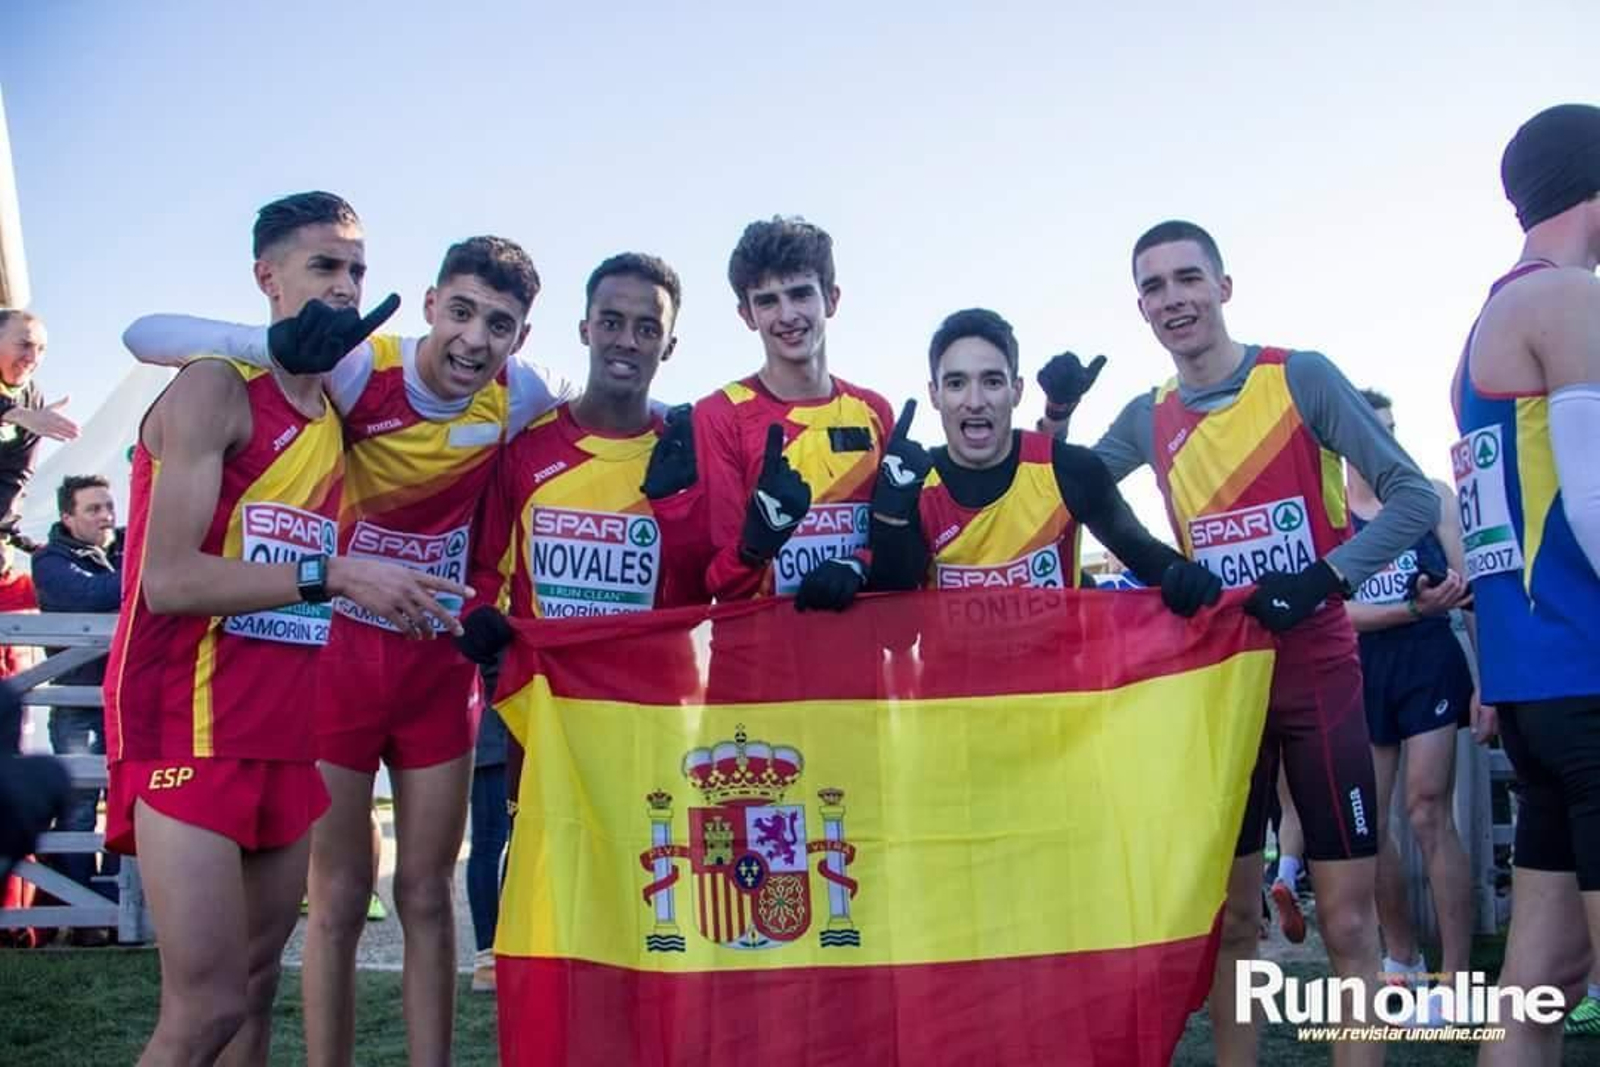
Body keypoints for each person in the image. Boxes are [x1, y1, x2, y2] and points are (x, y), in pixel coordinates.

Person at [125, 234, 569, 1066]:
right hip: (334, 654)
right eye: (462, 311)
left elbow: (600, 426)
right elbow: (145, 335)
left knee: (427, 893)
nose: (475, 339)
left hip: (433, 666)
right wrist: (269, 343)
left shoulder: (521, 395)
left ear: (522, 337)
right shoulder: (363, 366)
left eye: (500, 324)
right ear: (431, 303)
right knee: (336, 896)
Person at [1042, 220, 1438, 1067]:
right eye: (1153, 287)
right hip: (1221, 683)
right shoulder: (1149, 416)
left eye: (1188, 278)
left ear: (1224, 286)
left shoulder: (1299, 376)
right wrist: (1057, 418)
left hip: (1318, 670)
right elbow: (1059, 488)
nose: (1173, 298)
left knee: (1346, 919)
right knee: (1233, 919)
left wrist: (1326, 578)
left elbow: (1408, 498)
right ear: (1140, 309)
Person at [1454, 104, 1600, 1066]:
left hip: (1535, 690)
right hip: (1587, 674)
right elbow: (1592, 501)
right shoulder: (1570, 301)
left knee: (1539, 988)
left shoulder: (1483, 325)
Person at [817, 307, 1220, 621]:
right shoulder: (913, 483)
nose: (974, 400)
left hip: (1063, 709)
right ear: (935, 394)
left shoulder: (1070, 471)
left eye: (992, 381)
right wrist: (890, 521)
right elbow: (897, 631)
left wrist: (1187, 581)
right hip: (957, 713)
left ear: (1016, 390)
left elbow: (1146, 557)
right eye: (956, 383)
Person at [1342, 389, 1483, 999]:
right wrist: (1407, 607)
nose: (1386, 442)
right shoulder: (1327, 507)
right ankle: (1402, 955)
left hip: (1428, 661)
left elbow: (1467, 590)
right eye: (1376, 431)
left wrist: (1491, 684)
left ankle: (1455, 976)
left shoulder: (1431, 498)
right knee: (1366, 823)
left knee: (1428, 809)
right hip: (1360, 668)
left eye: (1394, 429)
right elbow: (1335, 613)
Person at [693, 216, 893, 603]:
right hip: (756, 659)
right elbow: (716, 583)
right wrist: (755, 547)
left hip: (855, 654)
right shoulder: (718, 414)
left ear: (831, 299)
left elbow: (897, 545)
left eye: (801, 294)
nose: (787, 315)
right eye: (767, 301)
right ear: (747, 316)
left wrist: (861, 564)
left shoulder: (874, 410)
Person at [34, 474, 123, 925]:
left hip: (125, 698)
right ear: (67, 517)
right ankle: (87, 917)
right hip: (78, 703)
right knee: (79, 809)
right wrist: (153, 566)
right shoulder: (48, 560)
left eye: (108, 506)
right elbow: (93, 595)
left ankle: (115, 907)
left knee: (128, 803)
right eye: (93, 509)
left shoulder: (122, 549)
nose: (106, 517)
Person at [0, 309, 78, 548]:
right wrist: (14, 414)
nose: (33, 357)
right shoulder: (26, 411)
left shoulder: (32, 399)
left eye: (41, 349)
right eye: (24, 345)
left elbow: (15, 475)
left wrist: (7, 534)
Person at [465, 694, 508, 994]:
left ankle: (499, 953)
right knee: (490, 844)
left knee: (508, 844)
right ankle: (489, 957)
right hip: (495, 727)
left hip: (508, 727)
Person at [0, 540, 35, 754]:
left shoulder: (24, 585)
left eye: (4, 543)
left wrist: (36, 550)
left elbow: (64, 587)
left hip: (18, 695)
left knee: (16, 759)